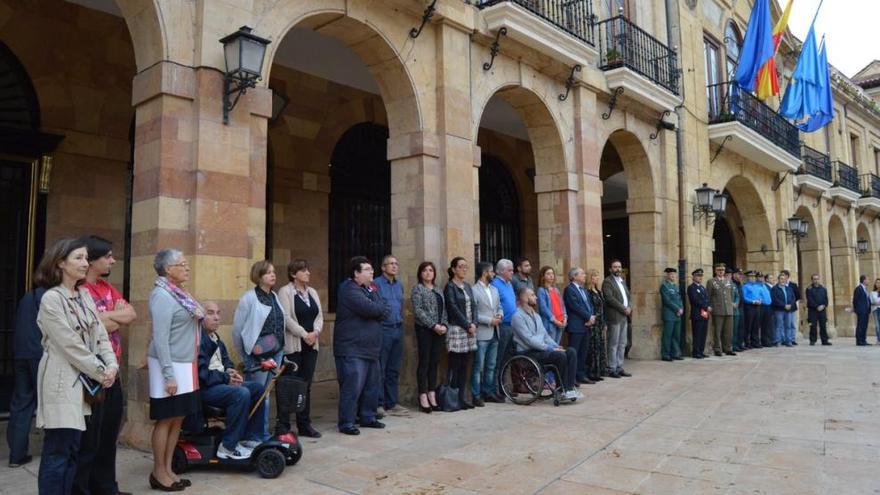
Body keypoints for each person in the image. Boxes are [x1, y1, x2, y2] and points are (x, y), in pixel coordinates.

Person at [34, 238, 118, 495]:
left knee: (76, 450)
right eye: (79, 258)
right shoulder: (51, 299)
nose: (85, 263)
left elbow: (101, 334)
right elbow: (69, 344)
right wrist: (101, 370)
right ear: (60, 263)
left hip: (86, 382)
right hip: (61, 383)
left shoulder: (83, 294)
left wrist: (112, 364)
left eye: (85, 258)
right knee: (59, 451)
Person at [75, 235, 137, 495]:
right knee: (89, 438)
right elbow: (90, 326)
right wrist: (114, 317)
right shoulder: (79, 290)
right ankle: (84, 488)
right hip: (91, 374)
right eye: (108, 256)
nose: (112, 260)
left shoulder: (106, 287)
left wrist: (105, 318)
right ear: (91, 260)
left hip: (113, 370)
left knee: (109, 433)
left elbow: (131, 314)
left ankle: (106, 487)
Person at [147, 248, 202, 491]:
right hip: (168, 364)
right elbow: (160, 338)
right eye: (182, 263)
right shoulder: (162, 295)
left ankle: (169, 468)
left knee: (177, 417)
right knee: (165, 417)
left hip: (185, 362)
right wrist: (168, 374)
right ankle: (158, 472)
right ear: (168, 269)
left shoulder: (179, 293)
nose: (187, 267)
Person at [198, 301, 265, 459]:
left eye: (218, 313)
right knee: (240, 393)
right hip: (205, 389)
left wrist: (231, 371)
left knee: (258, 389)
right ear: (200, 317)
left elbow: (226, 362)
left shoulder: (216, 339)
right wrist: (226, 378)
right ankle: (228, 446)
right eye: (210, 313)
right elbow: (202, 375)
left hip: (220, 384)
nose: (216, 318)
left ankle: (249, 437)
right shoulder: (199, 340)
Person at [334, 256, 389, 435]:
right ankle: (347, 422)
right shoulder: (348, 289)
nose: (371, 272)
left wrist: (378, 307)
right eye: (366, 269)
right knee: (352, 386)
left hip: (371, 348)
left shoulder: (372, 288)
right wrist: (378, 307)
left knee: (372, 385)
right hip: (352, 348)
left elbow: (384, 308)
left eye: (372, 269)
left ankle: (368, 417)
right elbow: (372, 309)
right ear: (356, 273)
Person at [232, 260, 286, 442]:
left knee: (267, 393)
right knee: (258, 395)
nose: (273, 275)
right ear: (258, 276)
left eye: (273, 272)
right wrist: (246, 357)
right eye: (268, 272)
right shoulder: (249, 298)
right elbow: (237, 330)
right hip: (257, 355)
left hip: (276, 351)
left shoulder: (274, 296)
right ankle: (255, 435)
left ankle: (261, 433)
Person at [276, 259, 323, 438]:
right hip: (294, 346)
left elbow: (319, 315)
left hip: (311, 345)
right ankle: (283, 425)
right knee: (289, 385)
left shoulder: (312, 292)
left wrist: (316, 332)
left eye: (308, 270)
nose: (308, 273)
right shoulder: (285, 292)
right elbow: (286, 318)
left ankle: (304, 424)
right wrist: (305, 334)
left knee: (306, 385)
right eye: (303, 271)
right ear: (293, 274)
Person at [511, 287, 582, 401]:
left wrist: (555, 346)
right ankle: (562, 389)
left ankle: (569, 388)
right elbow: (529, 340)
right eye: (533, 295)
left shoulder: (536, 316)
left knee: (571, 352)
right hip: (528, 352)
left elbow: (545, 335)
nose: (536, 297)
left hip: (540, 350)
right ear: (524, 298)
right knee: (559, 356)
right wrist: (550, 348)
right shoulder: (517, 317)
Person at [6, 285, 46, 469]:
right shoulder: (51, 297)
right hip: (40, 354)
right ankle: (52, 451)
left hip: (21, 353)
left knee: (21, 403)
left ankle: (16, 454)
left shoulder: (26, 297)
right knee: (48, 404)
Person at [410, 261, 448, 413]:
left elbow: (444, 310)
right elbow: (418, 311)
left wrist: (444, 325)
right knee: (424, 362)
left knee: (434, 362)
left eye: (431, 270)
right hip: (425, 330)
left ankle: (432, 394)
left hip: (439, 331)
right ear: (420, 273)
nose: (428, 273)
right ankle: (423, 396)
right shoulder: (417, 289)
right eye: (425, 270)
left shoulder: (438, 290)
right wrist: (433, 325)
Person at [374, 255, 408, 416]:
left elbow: (400, 306)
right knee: (381, 368)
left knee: (394, 369)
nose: (394, 266)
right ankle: (378, 403)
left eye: (396, 263)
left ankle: (392, 403)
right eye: (391, 264)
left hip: (398, 329)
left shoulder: (399, 285)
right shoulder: (376, 284)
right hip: (383, 330)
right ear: (383, 267)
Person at [445, 257, 479, 409]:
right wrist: (467, 324)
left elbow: (474, 306)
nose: (464, 269)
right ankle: (453, 399)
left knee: (466, 364)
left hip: (469, 329)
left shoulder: (467, 286)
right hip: (458, 329)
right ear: (453, 269)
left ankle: (462, 397)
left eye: (466, 266)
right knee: (455, 364)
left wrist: (474, 323)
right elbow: (453, 308)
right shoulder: (450, 287)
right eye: (460, 267)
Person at [471, 261, 503, 406]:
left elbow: (499, 306)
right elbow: (474, 313)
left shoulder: (495, 289)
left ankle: (488, 392)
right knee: (479, 366)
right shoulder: (474, 290)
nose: (493, 274)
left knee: (491, 365)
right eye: (491, 271)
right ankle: (476, 394)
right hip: (482, 333)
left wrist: (500, 315)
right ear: (485, 273)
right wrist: (490, 320)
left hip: (495, 332)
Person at [491, 259, 517, 400]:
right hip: (502, 325)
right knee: (498, 359)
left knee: (508, 359)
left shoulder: (509, 284)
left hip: (512, 325)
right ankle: (496, 389)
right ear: (501, 271)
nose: (512, 273)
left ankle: (505, 387)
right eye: (510, 270)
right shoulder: (495, 284)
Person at [564, 267, 594, 383]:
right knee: (574, 352)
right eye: (582, 274)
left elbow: (589, 305)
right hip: (576, 325)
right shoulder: (569, 289)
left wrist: (591, 317)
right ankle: (572, 377)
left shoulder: (584, 290)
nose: (584, 275)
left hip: (586, 325)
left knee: (583, 352)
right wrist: (588, 317)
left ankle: (581, 374)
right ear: (574, 276)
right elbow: (575, 306)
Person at [602, 260, 633, 377]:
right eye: (615, 267)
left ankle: (620, 367)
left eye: (619, 267)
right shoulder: (607, 282)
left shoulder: (622, 281)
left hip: (624, 316)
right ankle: (611, 368)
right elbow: (609, 298)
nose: (618, 269)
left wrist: (630, 307)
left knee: (622, 343)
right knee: (613, 343)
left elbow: (628, 296)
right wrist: (623, 308)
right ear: (610, 269)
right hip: (614, 316)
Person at [707, 263, 736, 356]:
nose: (721, 271)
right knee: (717, 331)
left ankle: (728, 348)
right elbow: (708, 296)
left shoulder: (729, 281)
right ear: (715, 271)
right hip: (718, 309)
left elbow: (731, 295)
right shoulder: (711, 281)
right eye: (719, 270)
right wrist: (710, 306)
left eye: (723, 270)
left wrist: (731, 304)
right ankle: (717, 349)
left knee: (728, 331)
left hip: (728, 309)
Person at [585, 269, 608, 380]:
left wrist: (604, 322)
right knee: (593, 347)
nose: (597, 278)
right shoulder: (588, 292)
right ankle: (592, 372)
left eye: (597, 276)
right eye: (594, 276)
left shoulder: (598, 291)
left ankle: (600, 370)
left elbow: (603, 308)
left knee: (600, 346)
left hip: (600, 321)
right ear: (590, 278)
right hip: (593, 322)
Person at [536, 266, 567, 344]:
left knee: (557, 345)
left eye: (552, 273)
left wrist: (565, 317)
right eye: (548, 274)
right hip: (551, 323)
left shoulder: (556, 289)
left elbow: (562, 305)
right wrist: (555, 320)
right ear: (543, 276)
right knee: (551, 347)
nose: (551, 276)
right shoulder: (541, 290)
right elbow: (543, 308)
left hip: (561, 321)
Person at [659, 267, 684, 361]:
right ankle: (665, 354)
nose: (673, 276)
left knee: (676, 335)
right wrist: (677, 309)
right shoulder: (664, 286)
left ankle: (675, 353)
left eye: (674, 274)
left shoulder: (675, 286)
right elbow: (667, 301)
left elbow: (679, 299)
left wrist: (681, 308)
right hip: (669, 315)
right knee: (667, 335)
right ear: (667, 275)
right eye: (671, 274)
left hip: (677, 315)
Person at [687, 269, 709, 358]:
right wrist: (706, 306)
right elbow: (695, 300)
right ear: (693, 277)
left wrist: (708, 306)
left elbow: (707, 298)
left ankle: (701, 350)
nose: (700, 278)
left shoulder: (702, 288)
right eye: (698, 276)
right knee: (697, 334)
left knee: (703, 334)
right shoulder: (691, 287)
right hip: (697, 314)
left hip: (705, 314)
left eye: (701, 276)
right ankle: (696, 352)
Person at [805, 274, 831, 346]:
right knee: (813, 326)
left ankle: (824, 340)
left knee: (823, 325)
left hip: (822, 310)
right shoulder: (809, 289)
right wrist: (817, 306)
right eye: (814, 279)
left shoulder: (823, 289)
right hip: (813, 310)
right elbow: (810, 300)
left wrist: (823, 305)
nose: (816, 281)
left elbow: (826, 299)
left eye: (817, 279)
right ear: (812, 280)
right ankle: (813, 340)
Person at [771, 271, 795, 347]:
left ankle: (788, 341)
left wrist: (790, 304)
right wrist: (784, 305)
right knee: (779, 325)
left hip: (788, 309)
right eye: (781, 279)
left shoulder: (789, 288)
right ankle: (778, 341)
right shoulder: (774, 288)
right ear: (778, 280)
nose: (783, 280)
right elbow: (775, 299)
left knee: (788, 326)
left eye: (784, 279)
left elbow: (793, 297)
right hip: (779, 310)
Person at [742, 271, 765, 349]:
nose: (753, 278)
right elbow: (744, 297)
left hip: (757, 306)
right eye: (751, 276)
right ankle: (747, 342)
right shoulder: (745, 286)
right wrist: (752, 301)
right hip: (749, 306)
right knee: (748, 325)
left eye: (754, 277)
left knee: (756, 325)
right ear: (747, 278)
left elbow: (760, 295)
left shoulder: (757, 286)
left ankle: (755, 342)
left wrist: (760, 300)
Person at [852, 274, 871, 346]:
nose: (869, 281)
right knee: (860, 325)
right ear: (864, 280)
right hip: (861, 311)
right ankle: (859, 341)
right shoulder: (858, 289)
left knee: (864, 326)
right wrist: (857, 310)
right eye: (867, 279)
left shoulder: (865, 289)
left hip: (866, 311)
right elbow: (855, 300)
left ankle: (863, 340)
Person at [730, 268, 745, 351]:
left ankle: (739, 343)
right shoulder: (732, 283)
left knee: (741, 327)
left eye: (741, 274)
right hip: (735, 308)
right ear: (734, 275)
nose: (740, 276)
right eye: (739, 274)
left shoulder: (740, 284)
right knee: (734, 328)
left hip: (741, 307)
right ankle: (734, 345)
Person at [761, 273, 777, 347]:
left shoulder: (773, 287)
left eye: (773, 278)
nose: (772, 279)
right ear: (766, 279)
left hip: (772, 307)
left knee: (770, 325)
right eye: (770, 278)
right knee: (766, 325)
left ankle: (770, 339)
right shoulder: (766, 286)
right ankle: (766, 341)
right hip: (766, 307)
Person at [870, 279, 880, 344]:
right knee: (877, 325)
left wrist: (877, 301)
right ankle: (879, 339)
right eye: (877, 283)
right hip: (875, 310)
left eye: (879, 283)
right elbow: (872, 302)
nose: (878, 284)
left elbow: (876, 301)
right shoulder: (872, 293)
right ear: (875, 284)